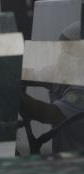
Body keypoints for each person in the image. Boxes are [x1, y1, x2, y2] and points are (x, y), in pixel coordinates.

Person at [20, 21, 84, 153]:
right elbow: (31, 72)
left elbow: (46, 113)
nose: (59, 56)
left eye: (66, 51)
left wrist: (14, 95)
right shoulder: (67, 72)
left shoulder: (80, 90)